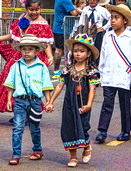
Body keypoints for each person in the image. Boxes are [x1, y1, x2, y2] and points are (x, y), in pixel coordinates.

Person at [0, 0, 54, 114]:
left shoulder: (43, 24)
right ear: (26, 8)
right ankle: (18, 111)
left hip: (33, 59)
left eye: (37, 10)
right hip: (17, 57)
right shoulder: (22, 18)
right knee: (14, 83)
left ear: (41, 8)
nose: (34, 12)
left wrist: (50, 56)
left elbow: (46, 43)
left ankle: (28, 113)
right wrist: (2, 38)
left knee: (30, 84)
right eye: (31, 9)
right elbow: (14, 36)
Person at [46, 34, 100, 167]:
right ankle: (73, 157)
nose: (78, 54)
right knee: (68, 128)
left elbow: (92, 89)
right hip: (69, 103)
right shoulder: (67, 70)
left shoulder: (91, 71)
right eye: (75, 51)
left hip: (83, 103)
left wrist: (88, 105)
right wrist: (50, 101)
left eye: (81, 51)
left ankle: (86, 146)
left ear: (88, 54)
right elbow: (59, 86)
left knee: (83, 127)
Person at [4, 34, 53, 165]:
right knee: (18, 127)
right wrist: (9, 100)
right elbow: (10, 84)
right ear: (20, 50)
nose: (27, 52)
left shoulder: (41, 67)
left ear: (37, 50)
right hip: (19, 101)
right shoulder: (15, 66)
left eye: (30, 49)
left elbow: (46, 86)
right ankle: (16, 155)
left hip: (35, 101)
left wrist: (49, 102)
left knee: (34, 127)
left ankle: (37, 150)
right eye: (24, 49)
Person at [95, 4, 131, 143]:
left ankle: (126, 131)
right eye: (112, 18)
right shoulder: (108, 36)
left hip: (124, 77)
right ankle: (102, 131)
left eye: (116, 18)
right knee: (107, 104)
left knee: (124, 104)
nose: (112, 21)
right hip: (109, 76)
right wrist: (101, 75)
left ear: (125, 20)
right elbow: (103, 57)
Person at [79, 0, 111, 66]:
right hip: (86, 34)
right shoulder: (85, 9)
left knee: (97, 51)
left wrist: (103, 28)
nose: (92, 1)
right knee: (87, 51)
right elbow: (81, 22)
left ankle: (96, 67)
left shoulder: (102, 10)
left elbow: (111, 18)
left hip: (97, 34)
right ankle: (87, 67)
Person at [52, 0, 79, 79]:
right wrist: (78, 8)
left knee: (61, 49)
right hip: (62, 29)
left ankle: (57, 70)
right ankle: (58, 71)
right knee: (61, 50)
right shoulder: (66, 0)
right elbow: (74, 13)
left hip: (60, 28)